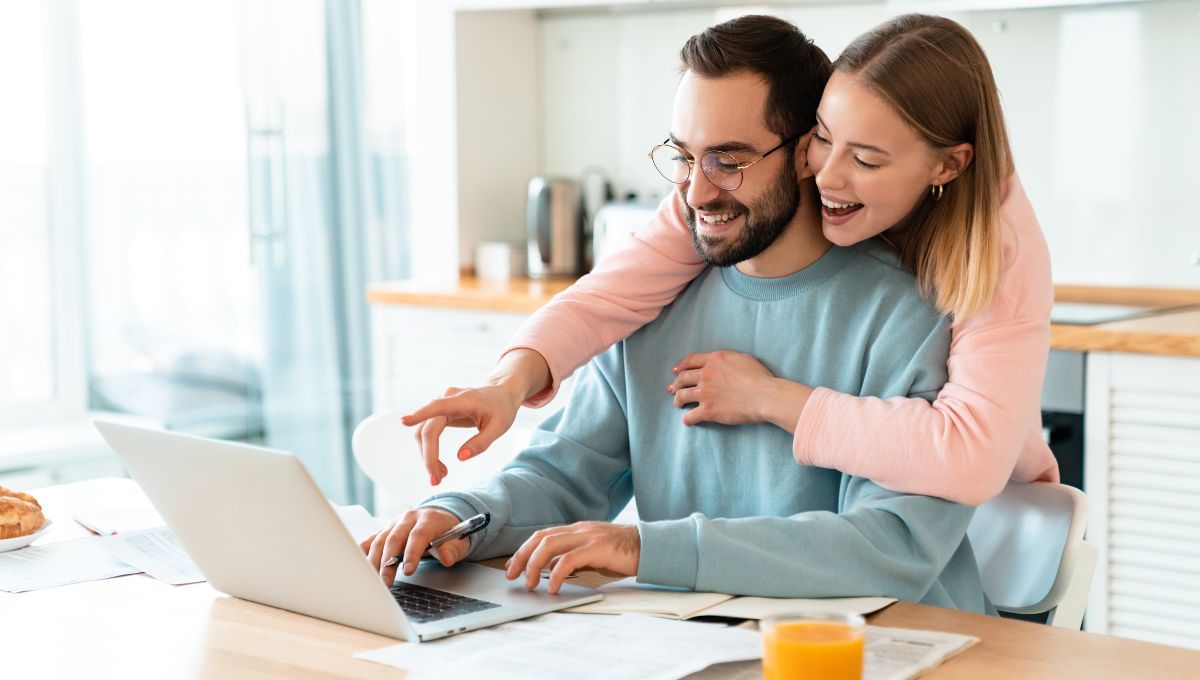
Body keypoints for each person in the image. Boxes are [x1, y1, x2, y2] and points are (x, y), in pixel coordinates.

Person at [364, 16, 988, 613]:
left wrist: (645, 547)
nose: (696, 192)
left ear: (808, 154)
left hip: (888, 646)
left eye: (729, 160)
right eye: (684, 157)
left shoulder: (911, 313)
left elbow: (888, 546)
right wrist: (461, 516)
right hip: (705, 642)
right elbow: (563, 472)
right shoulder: (655, 296)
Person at [404, 13, 1058, 506]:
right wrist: (507, 386)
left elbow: (969, 460)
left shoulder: (996, 255)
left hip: (989, 508)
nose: (825, 176)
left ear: (948, 164)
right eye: (823, 142)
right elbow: (605, 296)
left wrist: (771, 398)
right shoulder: (718, 201)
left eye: (864, 159)